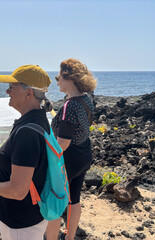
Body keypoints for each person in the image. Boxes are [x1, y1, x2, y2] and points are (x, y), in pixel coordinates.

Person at [0, 65, 53, 240]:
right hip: (30, 216)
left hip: (21, 221)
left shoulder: (27, 133)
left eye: (12, 87)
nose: (8, 91)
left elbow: (18, 191)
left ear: (29, 93)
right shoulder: (39, 120)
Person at [45, 58, 97, 240]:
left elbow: (63, 143)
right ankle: (70, 236)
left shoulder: (69, 106)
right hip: (83, 154)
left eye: (58, 77)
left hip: (68, 160)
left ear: (69, 79)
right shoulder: (86, 99)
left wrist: (45, 159)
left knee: (56, 201)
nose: (56, 81)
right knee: (74, 199)